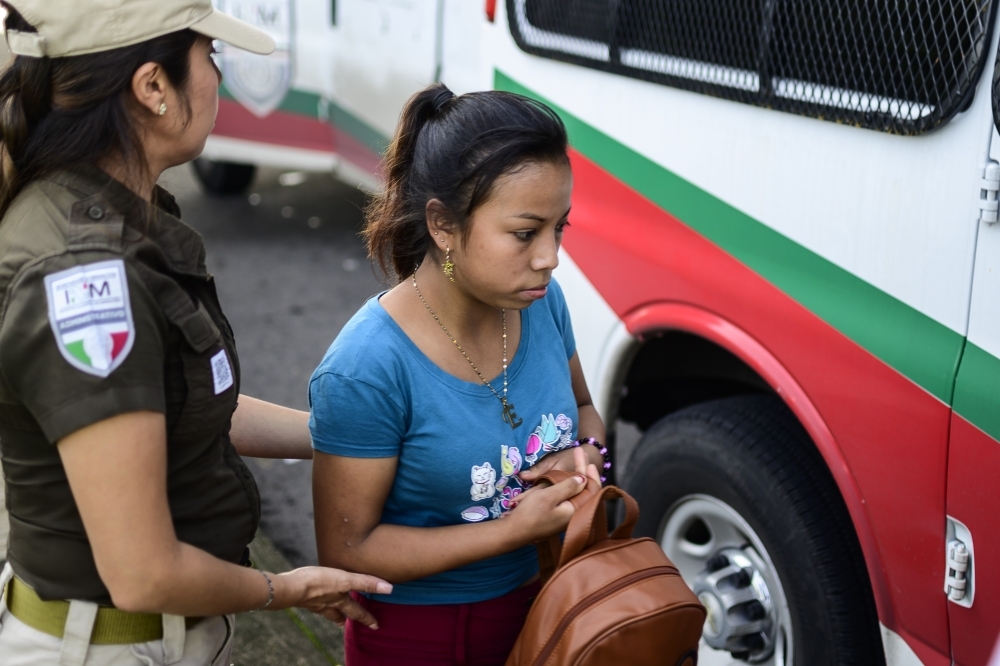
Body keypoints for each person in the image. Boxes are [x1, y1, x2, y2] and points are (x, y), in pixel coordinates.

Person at [0, 2, 391, 665]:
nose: (218, 76)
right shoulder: (87, 276)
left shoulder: (109, 213)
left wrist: (345, 437)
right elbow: (142, 570)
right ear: (152, 87)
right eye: (209, 56)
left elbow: (171, 407)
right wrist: (282, 588)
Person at [309, 83, 610, 666]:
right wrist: (510, 532)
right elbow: (347, 547)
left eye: (560, 229)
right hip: (418, 635)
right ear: (443, 226)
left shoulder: (543, 305)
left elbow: (586, 413)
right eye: (525, 233)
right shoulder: (366, 369)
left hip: (547, 600)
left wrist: (586, 458)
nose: (550, 257)